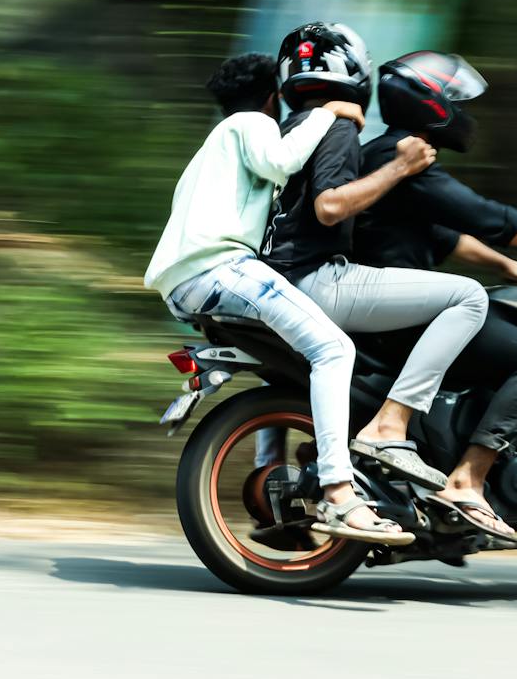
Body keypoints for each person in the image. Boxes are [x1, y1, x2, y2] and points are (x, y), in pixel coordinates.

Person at [146, 52, 413, 545]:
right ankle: (339, 493)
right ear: (273, 97)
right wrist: (327, 113)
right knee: (334, 350)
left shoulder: (215, 146)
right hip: (219, 268)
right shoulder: (251, 124)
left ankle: (273, 493)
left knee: (285, 363)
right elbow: (281, 160)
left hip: (186, 284)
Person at [354, 50, 517, 542]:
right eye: (458, 103)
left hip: (390, 310)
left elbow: (439, 233)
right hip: (398, 317)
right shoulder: (404, 159)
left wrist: (509, 267)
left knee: (499, 321)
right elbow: (487, 217)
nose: (466, 116)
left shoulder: (395, 157)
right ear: (430, 104)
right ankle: (467, 481)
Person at [260, 22, 490, 496]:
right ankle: (392, 424)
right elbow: (330, 207)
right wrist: (400, 167)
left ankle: (278, 468)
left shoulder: (283, 132)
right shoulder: (340, 126)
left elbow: (439, 233)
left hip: (269, 285)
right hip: (315, 279)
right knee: (468, 296)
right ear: (357, 75)